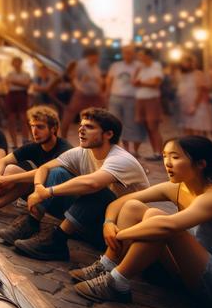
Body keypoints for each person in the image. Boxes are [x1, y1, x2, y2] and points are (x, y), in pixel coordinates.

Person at [69, 136, 212, 308]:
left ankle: (117, 283)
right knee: (133, 207)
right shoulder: (178, 187)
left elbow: (167, 227)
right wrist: (109, 223)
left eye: (175, 157)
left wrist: (121, 235)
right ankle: (107, 265)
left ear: (200, 164)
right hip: (192, 274)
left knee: (160, 221)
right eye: (164, 156)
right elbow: (120, 203)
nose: (167, 163)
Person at [8, 108, 149, 261]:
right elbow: (45, 168)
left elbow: (92, 183)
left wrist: (49, 192)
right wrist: (39, 189)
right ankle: (31, 223)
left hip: (114, 231)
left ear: (108, 134)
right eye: (81, 125)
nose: (81, 130)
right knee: (57, 173)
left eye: (89, 127)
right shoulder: (82, 151)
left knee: (99, 192)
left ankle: (57, 242)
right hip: (89, 219)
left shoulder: (121, 159)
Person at [0, 105, 73, 222]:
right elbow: (3, 160)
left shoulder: (64, 149)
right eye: (32, 126)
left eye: (40, 127)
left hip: (59, 199)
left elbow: (44, 171)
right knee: (10, 170)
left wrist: (8, 179)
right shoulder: (34, 146)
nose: (34, 131)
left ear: (53, 128)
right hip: (38, 193)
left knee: (14, 174)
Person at [105, 45, 144, 156]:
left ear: (134, 53)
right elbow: (109, 80)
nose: (128, 55)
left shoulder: (139, 66)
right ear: (122, 53)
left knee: (132, 124)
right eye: (126, 52)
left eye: (130, 52)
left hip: (132, 98)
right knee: (116, 124)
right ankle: (124, 149)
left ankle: (135, 150)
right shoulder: (116, 65)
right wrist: (107, 94)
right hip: (115, 97)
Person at [60, 48, 105, 139]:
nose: (97, 59)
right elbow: (72, 77)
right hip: (82, 94)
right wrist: (78, 87)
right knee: (70, 113)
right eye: (96, 57)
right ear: (90, 56)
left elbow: (99, 80)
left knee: (97, 115)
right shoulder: (81, 65)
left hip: (94, 95)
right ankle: (63, 137)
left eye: (98, 57)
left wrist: (100, 90)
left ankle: (94, 136)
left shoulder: (96, 67)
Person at [133, 47, 164, 160]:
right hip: (140, 99)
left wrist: (141, 82)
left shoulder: (156, 66)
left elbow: (156, 82)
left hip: (151, 99)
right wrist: (144, 82)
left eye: (141, 55)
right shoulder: (141, 68)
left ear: (148, 56)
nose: (139, 57)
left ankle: (159, 152)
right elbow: (134, 82)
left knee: (153, 126)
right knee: (145, 126)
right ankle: (155, 151)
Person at [176, 55, 212, 136]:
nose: (184, 64)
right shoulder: (181, 75)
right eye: (182, 62)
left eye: (186, 62)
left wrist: (194, 106)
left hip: (197, 106)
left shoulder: (197, 74)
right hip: (184, 106)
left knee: (198, 131)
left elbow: (200, 90)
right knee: (187, 131)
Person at [4, 57, 32, 147]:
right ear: (12, 64)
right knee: (11, 120)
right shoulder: (10, 74)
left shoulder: (26, 74)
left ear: (21, 63)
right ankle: (14, 143)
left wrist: (14, 81)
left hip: (22, 95)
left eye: (18, 62)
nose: (17, 64)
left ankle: (25, 141)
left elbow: (27, 84)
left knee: (24, 119)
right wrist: (20, 83)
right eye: (15, 62)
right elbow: (8, 84)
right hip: (12, 95)